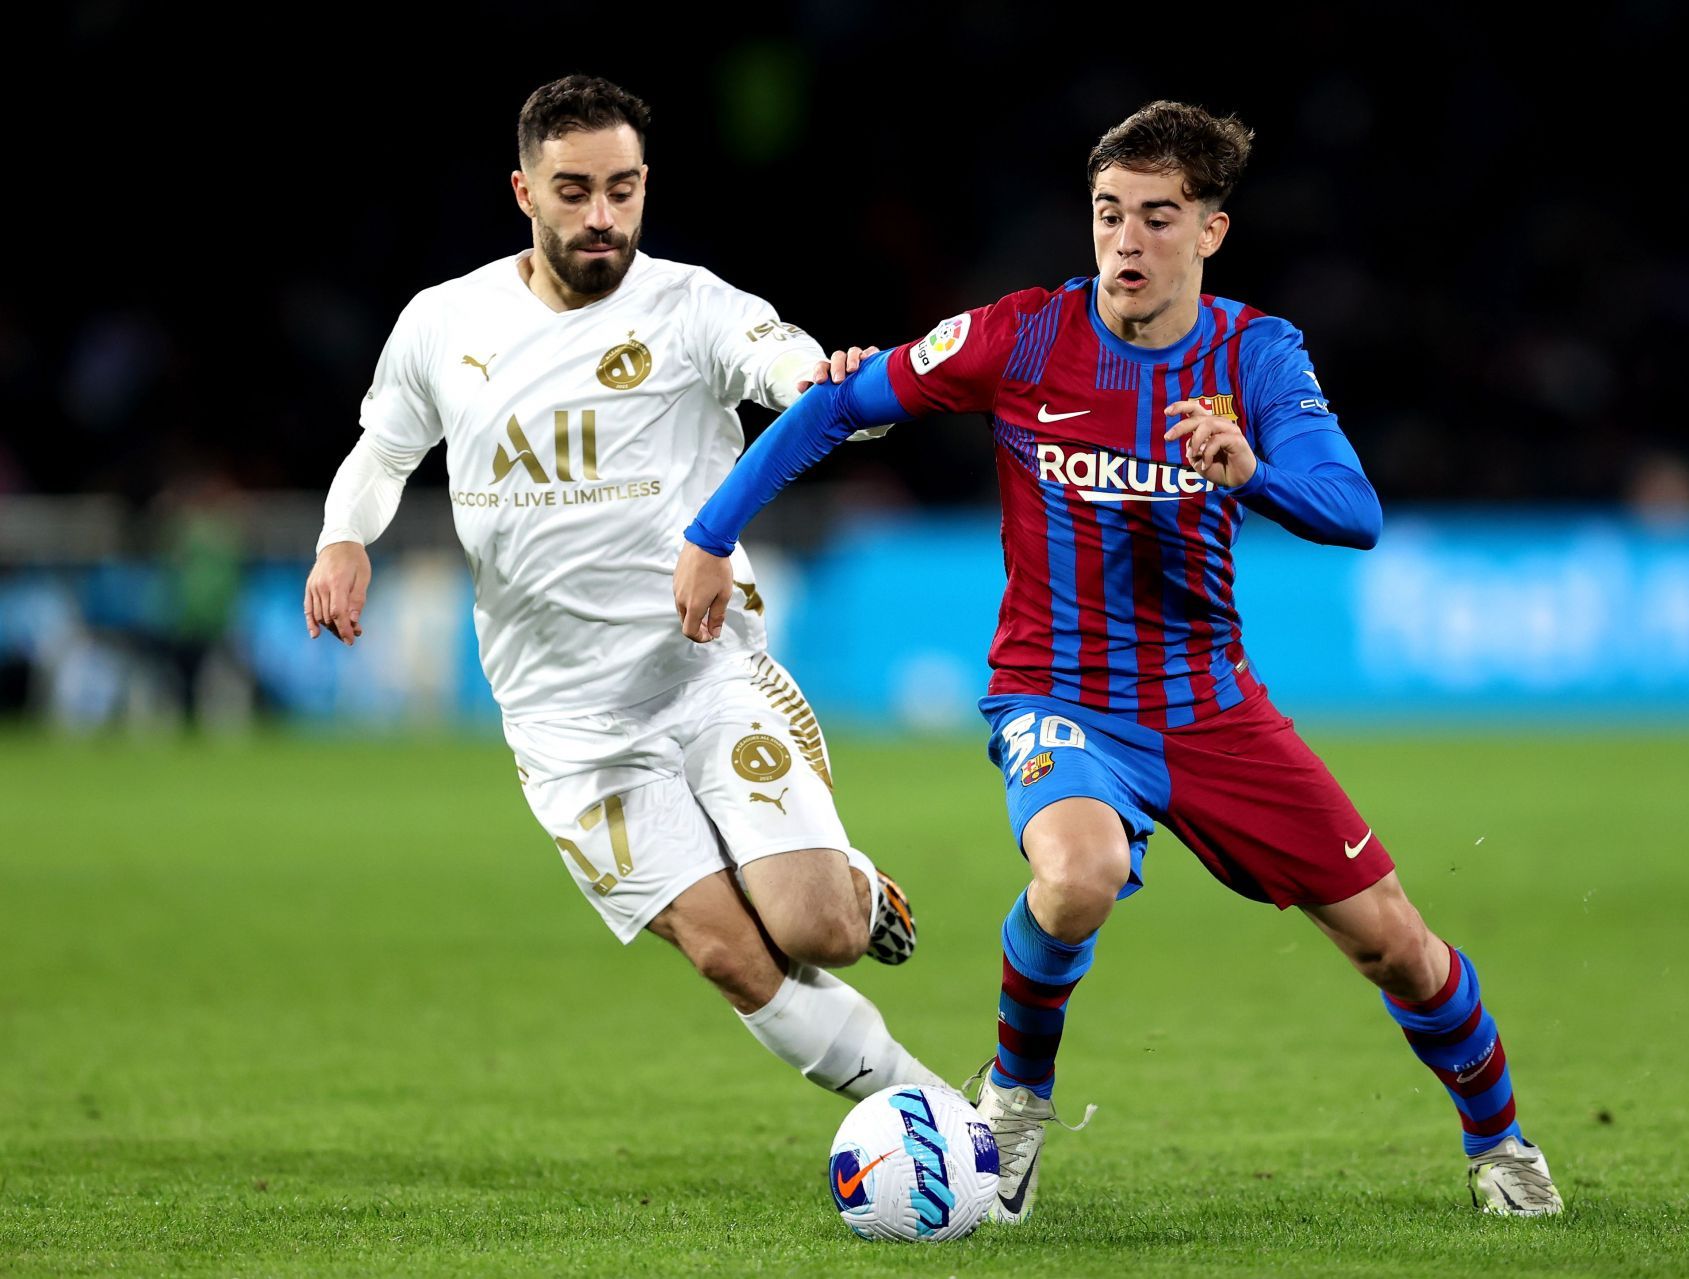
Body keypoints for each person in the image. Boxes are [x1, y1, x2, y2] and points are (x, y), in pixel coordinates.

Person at [673, 100, 1564, 1219]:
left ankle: (1501, 1145)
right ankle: (1015, 1100)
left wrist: (1249, 470)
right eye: (1108, 215)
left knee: (1396, 945)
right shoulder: (1024, 335)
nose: (1127, 242)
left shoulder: (1258, 352)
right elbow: (837, 405)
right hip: (1057, 695)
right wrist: (710, 535)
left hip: (1212, 708)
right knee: (1077, 872)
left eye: (1157, 217)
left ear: (1211, 232)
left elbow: (1354, 510)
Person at [304, 74, 936, 1106]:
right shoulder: (443, 322)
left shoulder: (693, 307)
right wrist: (342, 539)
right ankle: (936, 1119)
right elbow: (381, 453)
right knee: (733, 955)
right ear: (524, 192)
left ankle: (854, 891)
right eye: (574, 191)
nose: (602, 216)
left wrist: (841, 387)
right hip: (566, 724)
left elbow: (793, 371)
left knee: (815, 927)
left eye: (623, 189)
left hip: (705, 673)